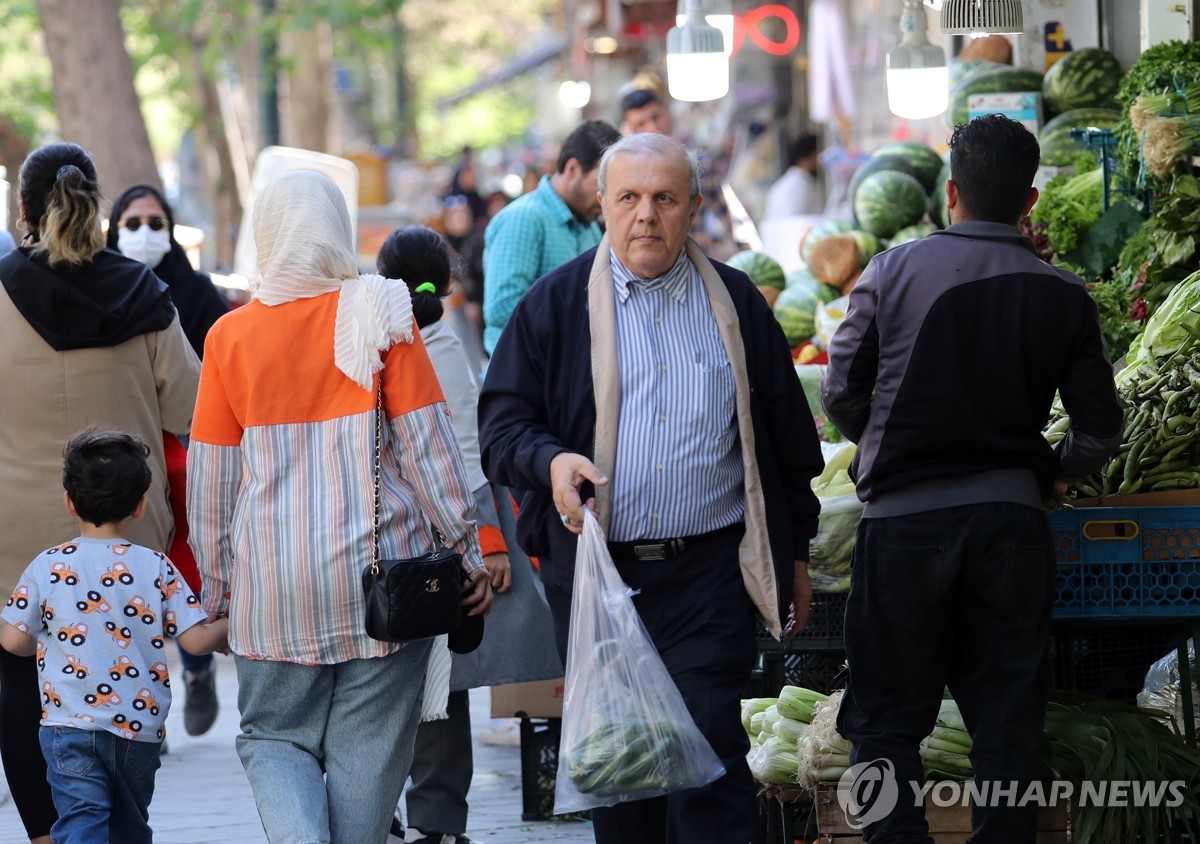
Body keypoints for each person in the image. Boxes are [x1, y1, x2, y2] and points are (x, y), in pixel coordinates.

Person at [478, 133, 824, 843]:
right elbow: (502, 425)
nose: (647, 215)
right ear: (601, 205)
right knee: (623, 778)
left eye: (665, 198)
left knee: (711, 773)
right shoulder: (554, 307)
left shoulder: (735, 303)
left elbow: (789, 443)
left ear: (694, 208)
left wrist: (796, 556)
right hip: (600, 580)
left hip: (708, 577)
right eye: (629, 197)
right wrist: (552, 463)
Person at [821, 114, 1123, 843]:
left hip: (903, 530)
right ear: (1028, 203)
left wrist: (894, 442)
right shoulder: (1064, 294)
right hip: (1011, 531)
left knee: (887, 725)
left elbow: (838, 393)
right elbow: (1100, 430)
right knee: (1006, 726)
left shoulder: (891, 271)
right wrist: (1048, 476)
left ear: (950, 193)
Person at [186, 170, 492, 844]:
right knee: (370, 748)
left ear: (266, 235)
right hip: (380, 585)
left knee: (273, 736)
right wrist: (468, 554)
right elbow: (431, 452)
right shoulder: (382, 314)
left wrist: (217, 587)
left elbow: (211, 482)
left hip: (272, 588)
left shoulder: (228, 339)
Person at [0, 142, 201, 844]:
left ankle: (48, 833)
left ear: (22, 208)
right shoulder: (145, 297)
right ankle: (118, 818)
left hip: (14, 537)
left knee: (18, 675)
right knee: (123, 668)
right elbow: (191, 409)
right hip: (124, 530)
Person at [377, 226, 563, 844]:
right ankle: (435, 821)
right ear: (448, 281)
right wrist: (485, 539)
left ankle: (402, 815)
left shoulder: (378, 341)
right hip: (439, 540)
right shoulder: (437, 342)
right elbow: (467, 453)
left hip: (395, 538)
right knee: (439, 684)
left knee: (404, 683)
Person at [0, 427, 229, 844]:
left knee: (81, 819)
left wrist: (44, 640)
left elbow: (14, 642)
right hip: (137, 731)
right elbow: (196, 642)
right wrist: (232, 621)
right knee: (129, 824)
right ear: (140, 506)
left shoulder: (47, 565)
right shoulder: (156, 567)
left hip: (68, 726)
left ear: (69, 502)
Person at [107, 183, 230, 738]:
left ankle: (197, 665)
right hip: (124, 439)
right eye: (131, 223)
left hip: (188, 443)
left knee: (185, 548)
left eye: (155, 223)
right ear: (111, 229)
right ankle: (142, 693)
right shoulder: (101, 289)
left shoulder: (197, 291)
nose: (144, 234)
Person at [481, 119, 621, 355]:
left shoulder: (589, 225)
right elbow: (502, 308)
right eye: (601, 184)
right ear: (573, 169)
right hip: (524, 383)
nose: (605, 197)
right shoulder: (524, 218)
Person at [761, 132, 823, 221]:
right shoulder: (799, 186)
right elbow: (795, 223)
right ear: (805, 159)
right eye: (816, 156)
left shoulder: (791, 182)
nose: (819, 162)